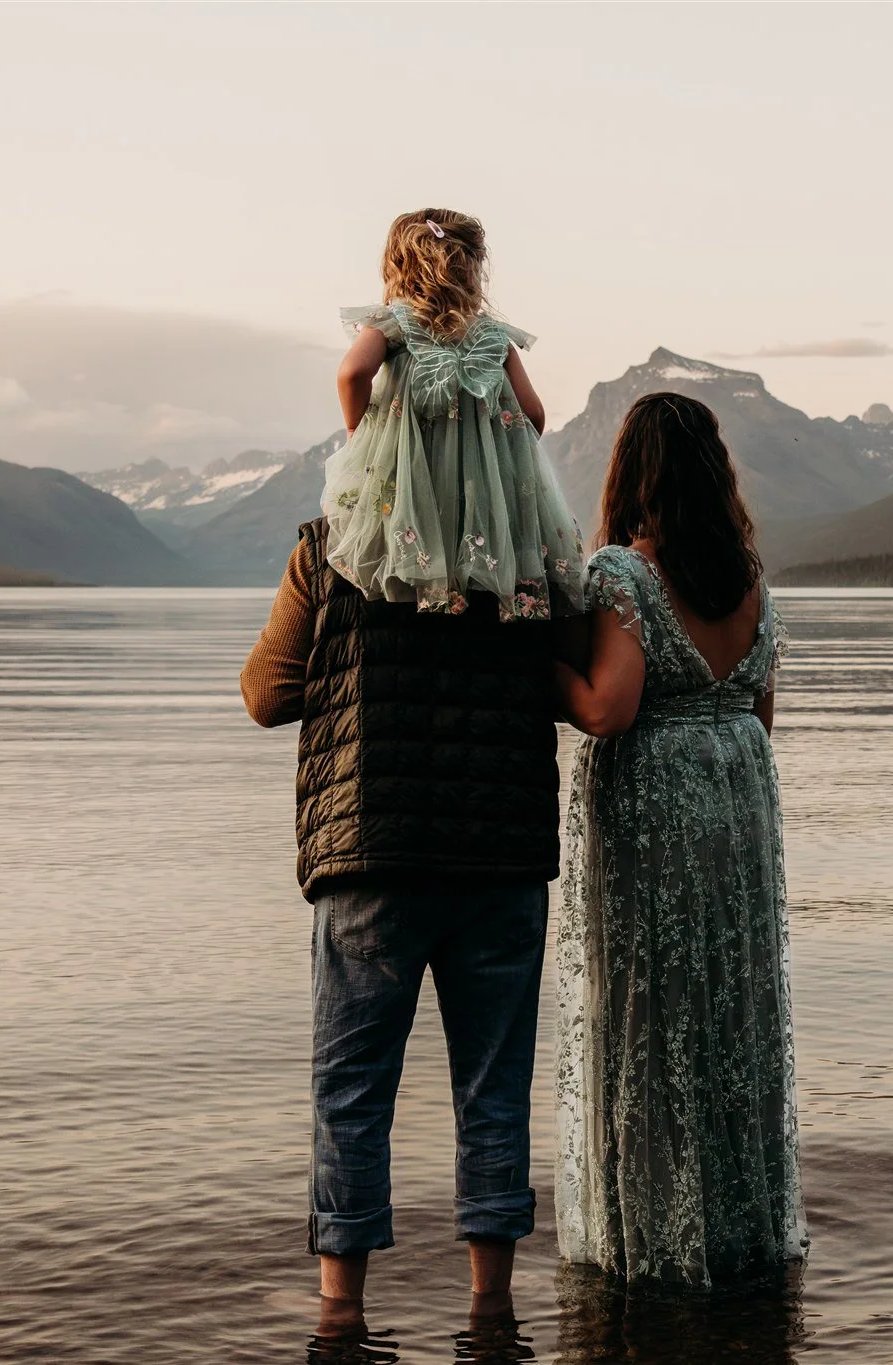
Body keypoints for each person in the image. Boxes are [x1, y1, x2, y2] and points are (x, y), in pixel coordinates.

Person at [240, 208, 586, 1325]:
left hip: (370, 850)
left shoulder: (331, 549)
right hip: (498, 858)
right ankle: (491, 1314)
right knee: (493, 1097)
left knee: (353, 1095)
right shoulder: (524, 564)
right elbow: (531, 421)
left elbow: (263, 698)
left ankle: (341, 1315)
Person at [552, 392, 808, 1287]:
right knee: (727, 1020)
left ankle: (655, 1246)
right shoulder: (753, 583)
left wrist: (533, 658)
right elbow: (759, 718)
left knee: (649, 1019)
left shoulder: (625, 573)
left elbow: (607, 708)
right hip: (737, 815)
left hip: (656, 820)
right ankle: (740, 1229)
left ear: (635, 475)